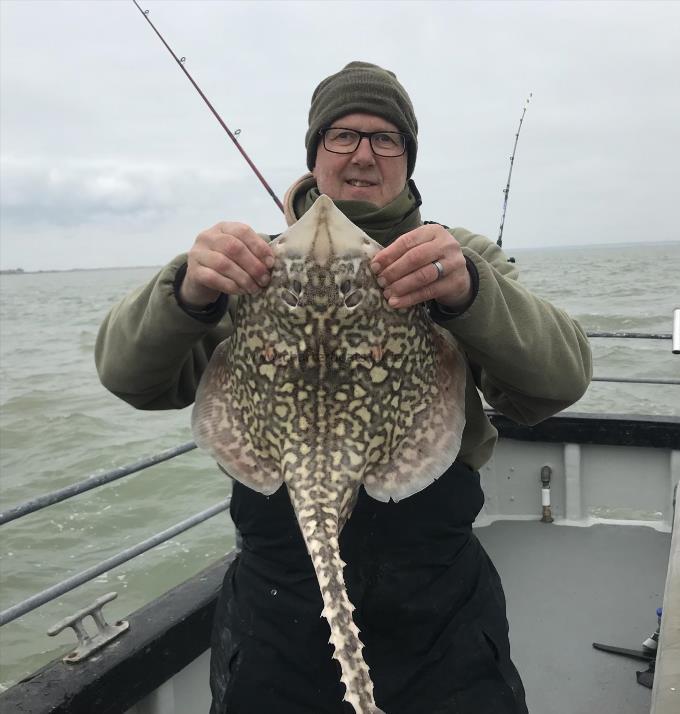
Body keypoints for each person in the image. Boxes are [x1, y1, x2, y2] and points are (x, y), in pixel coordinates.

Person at [96, 61, 592, 714]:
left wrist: (469, 293)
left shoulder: (455, 256)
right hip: (276, 614)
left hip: (439, 614)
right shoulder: (253, 267)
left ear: (408, 158)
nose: (363, 152)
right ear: (316, 151)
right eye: (343, 135)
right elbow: (131, 377)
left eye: (385, 137)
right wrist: (186, 288)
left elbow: (559, 379)